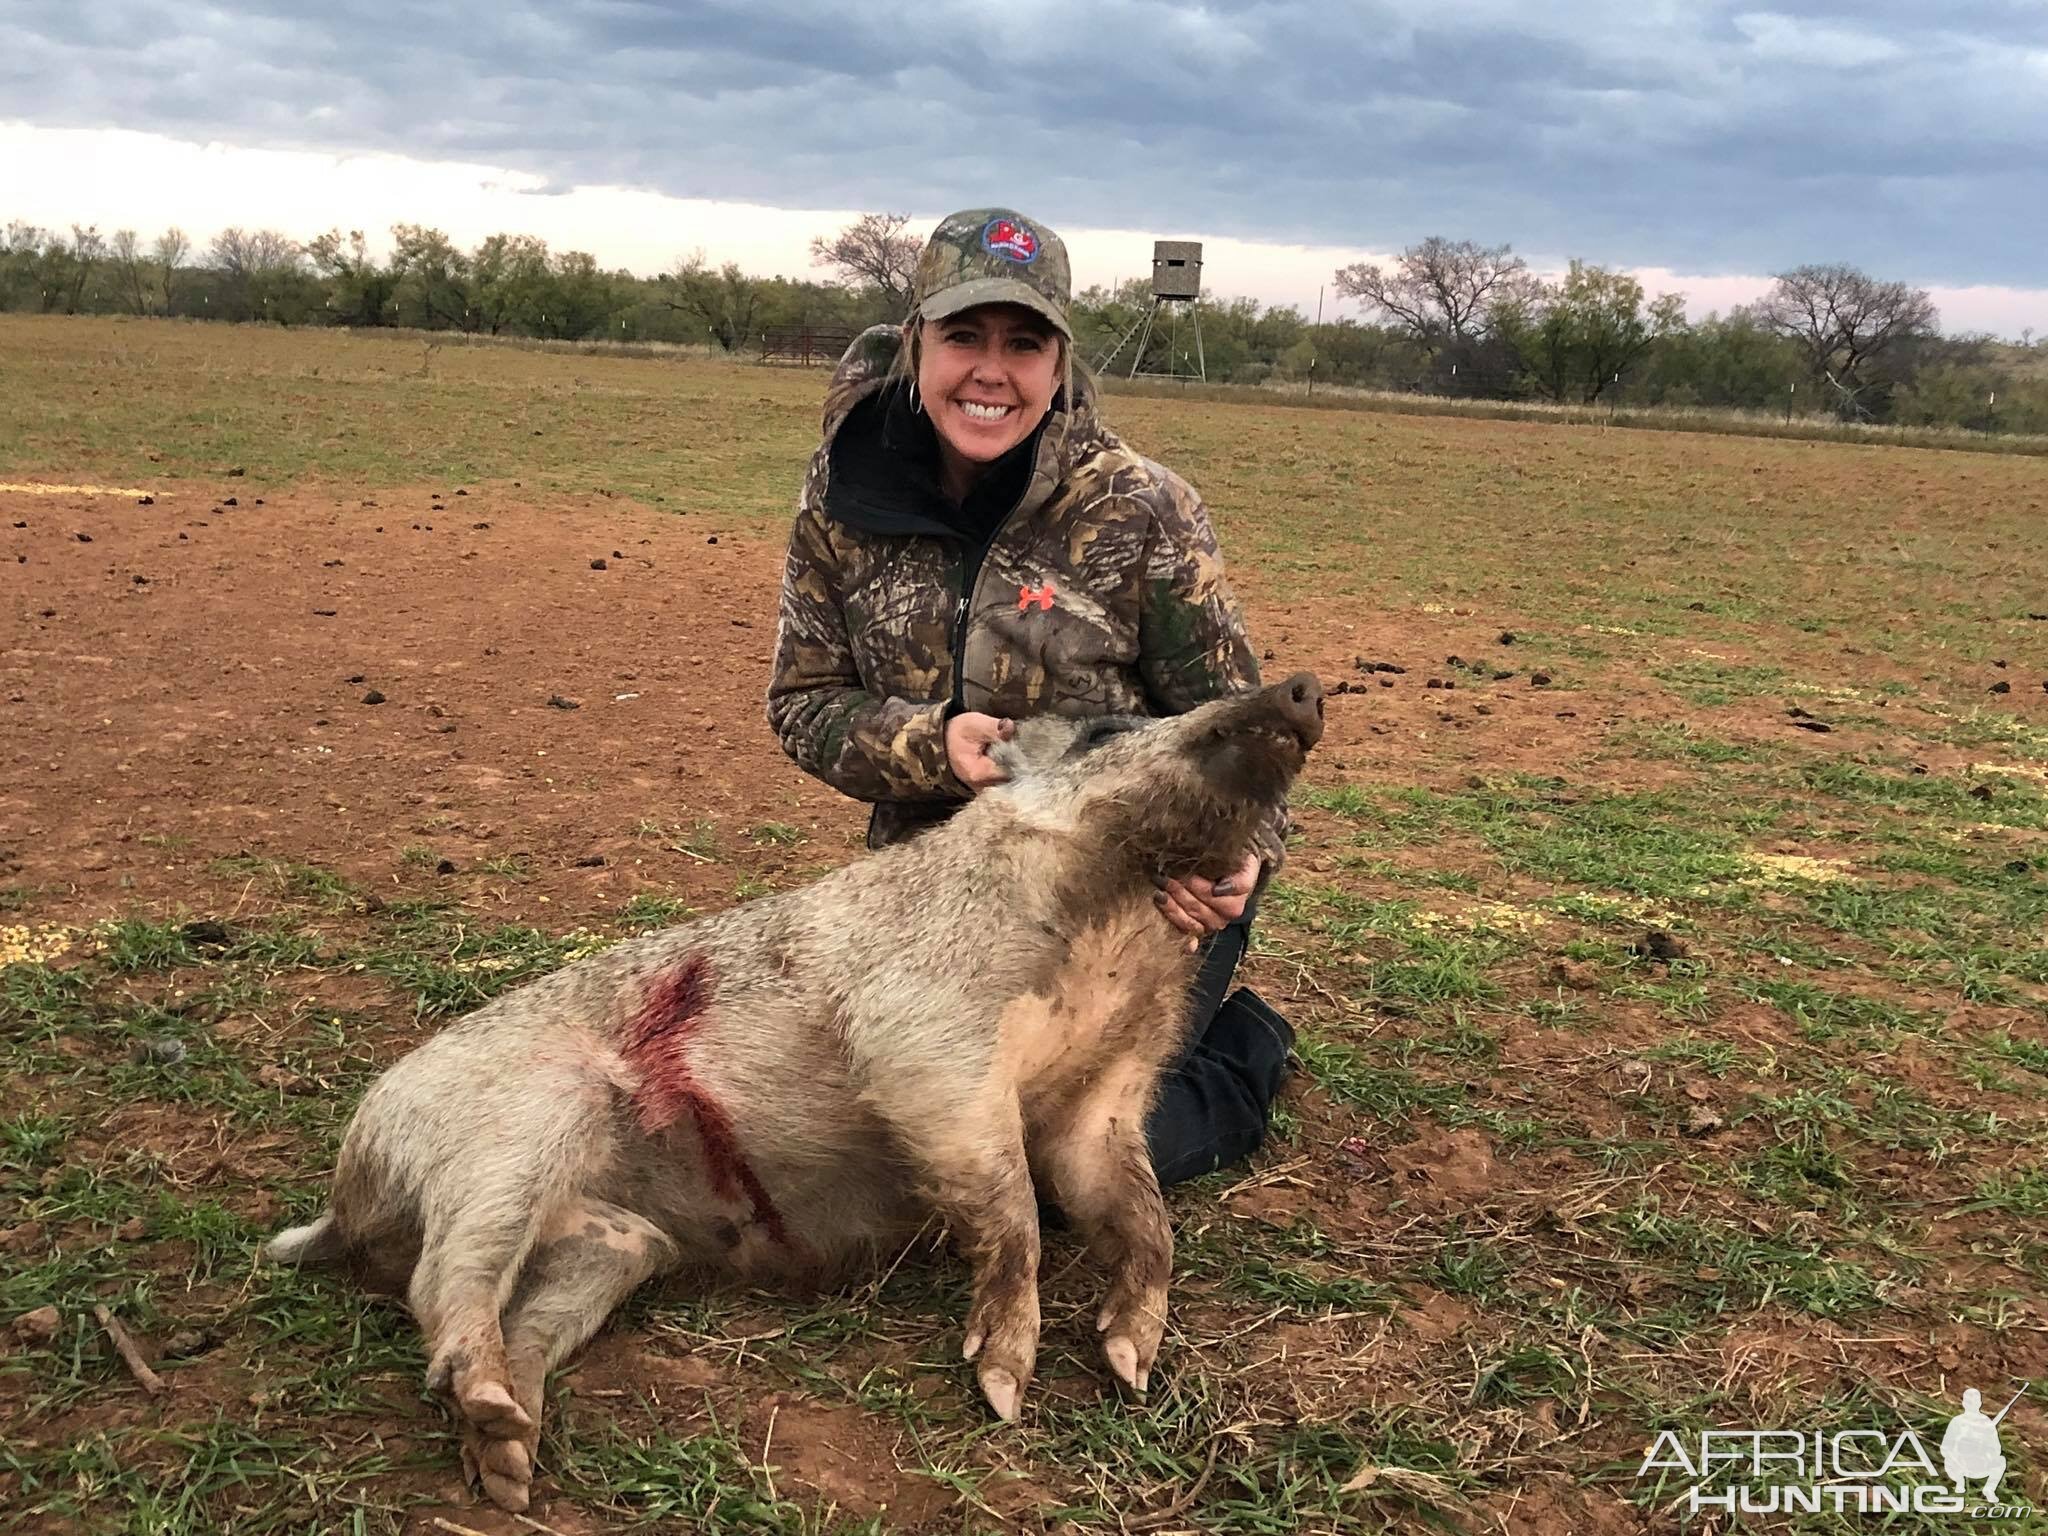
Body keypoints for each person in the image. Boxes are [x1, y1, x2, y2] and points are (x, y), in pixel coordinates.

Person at [766, 206, 1293, 1186]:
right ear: (915, 341)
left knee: (1057, 1163)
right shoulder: (843, 498)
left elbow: (1241, 737)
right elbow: (803, 701)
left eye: (1024, 342)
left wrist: (1236, 862)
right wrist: (933, 745)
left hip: (1133, 896)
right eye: (963, 336)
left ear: (1059, 362)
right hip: (937, 900)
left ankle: (1243, 1051)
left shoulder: (1142, 508)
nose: (990, 372)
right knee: (869, 1141)